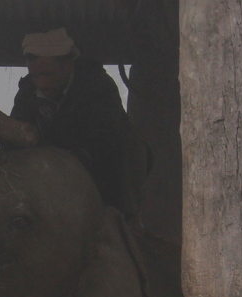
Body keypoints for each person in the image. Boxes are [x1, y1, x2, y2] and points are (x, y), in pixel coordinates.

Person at [11, 28, 149, 222]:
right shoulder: (27, 94)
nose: (41, 84)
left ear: (68, 65)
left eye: (48, 74)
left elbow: (105, 139)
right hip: (50, 175)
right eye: (35, 76)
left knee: (129, 146)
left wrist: (69, 164)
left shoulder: (99, 86)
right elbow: (13, 137)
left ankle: (128, 220)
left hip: (102, 171)